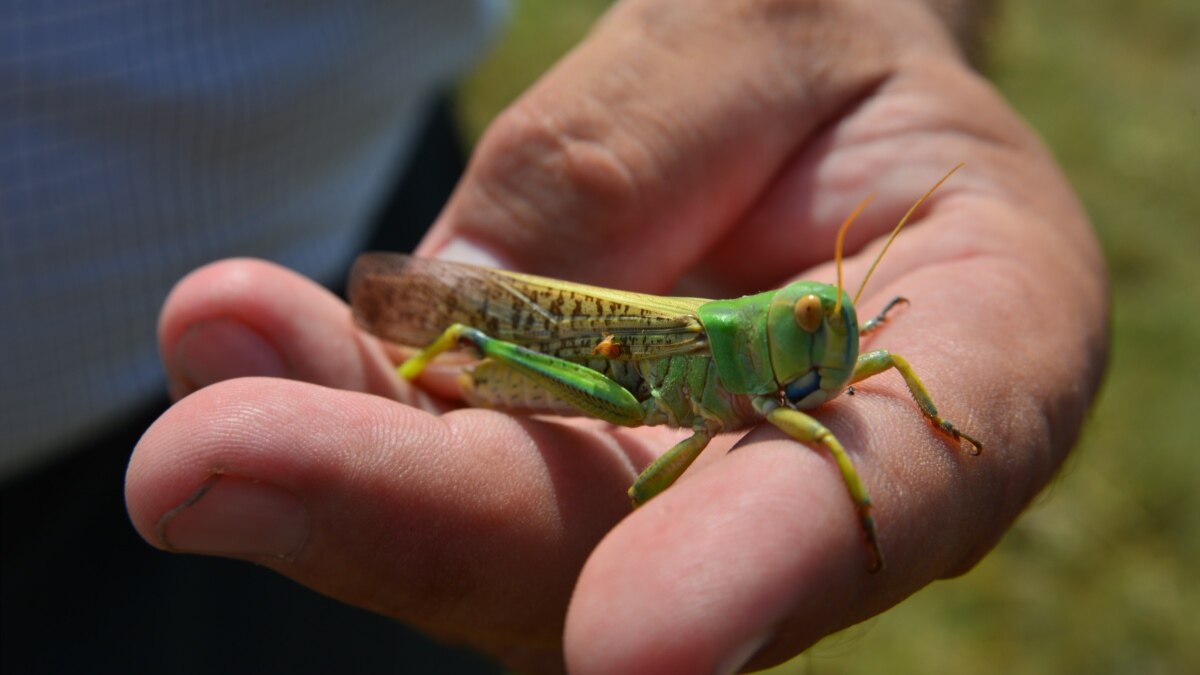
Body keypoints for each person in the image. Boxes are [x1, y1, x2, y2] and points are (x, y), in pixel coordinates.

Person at [24, 1, 1113, 674]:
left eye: (827, 321)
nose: (831, 341)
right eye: (818, 319)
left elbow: (869, 383)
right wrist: (859, 500)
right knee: (483, 347)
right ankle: (410, 372)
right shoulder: (747, 364)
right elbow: (714, 455)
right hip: (603, 363)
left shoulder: (831, 358)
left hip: (349, 184)